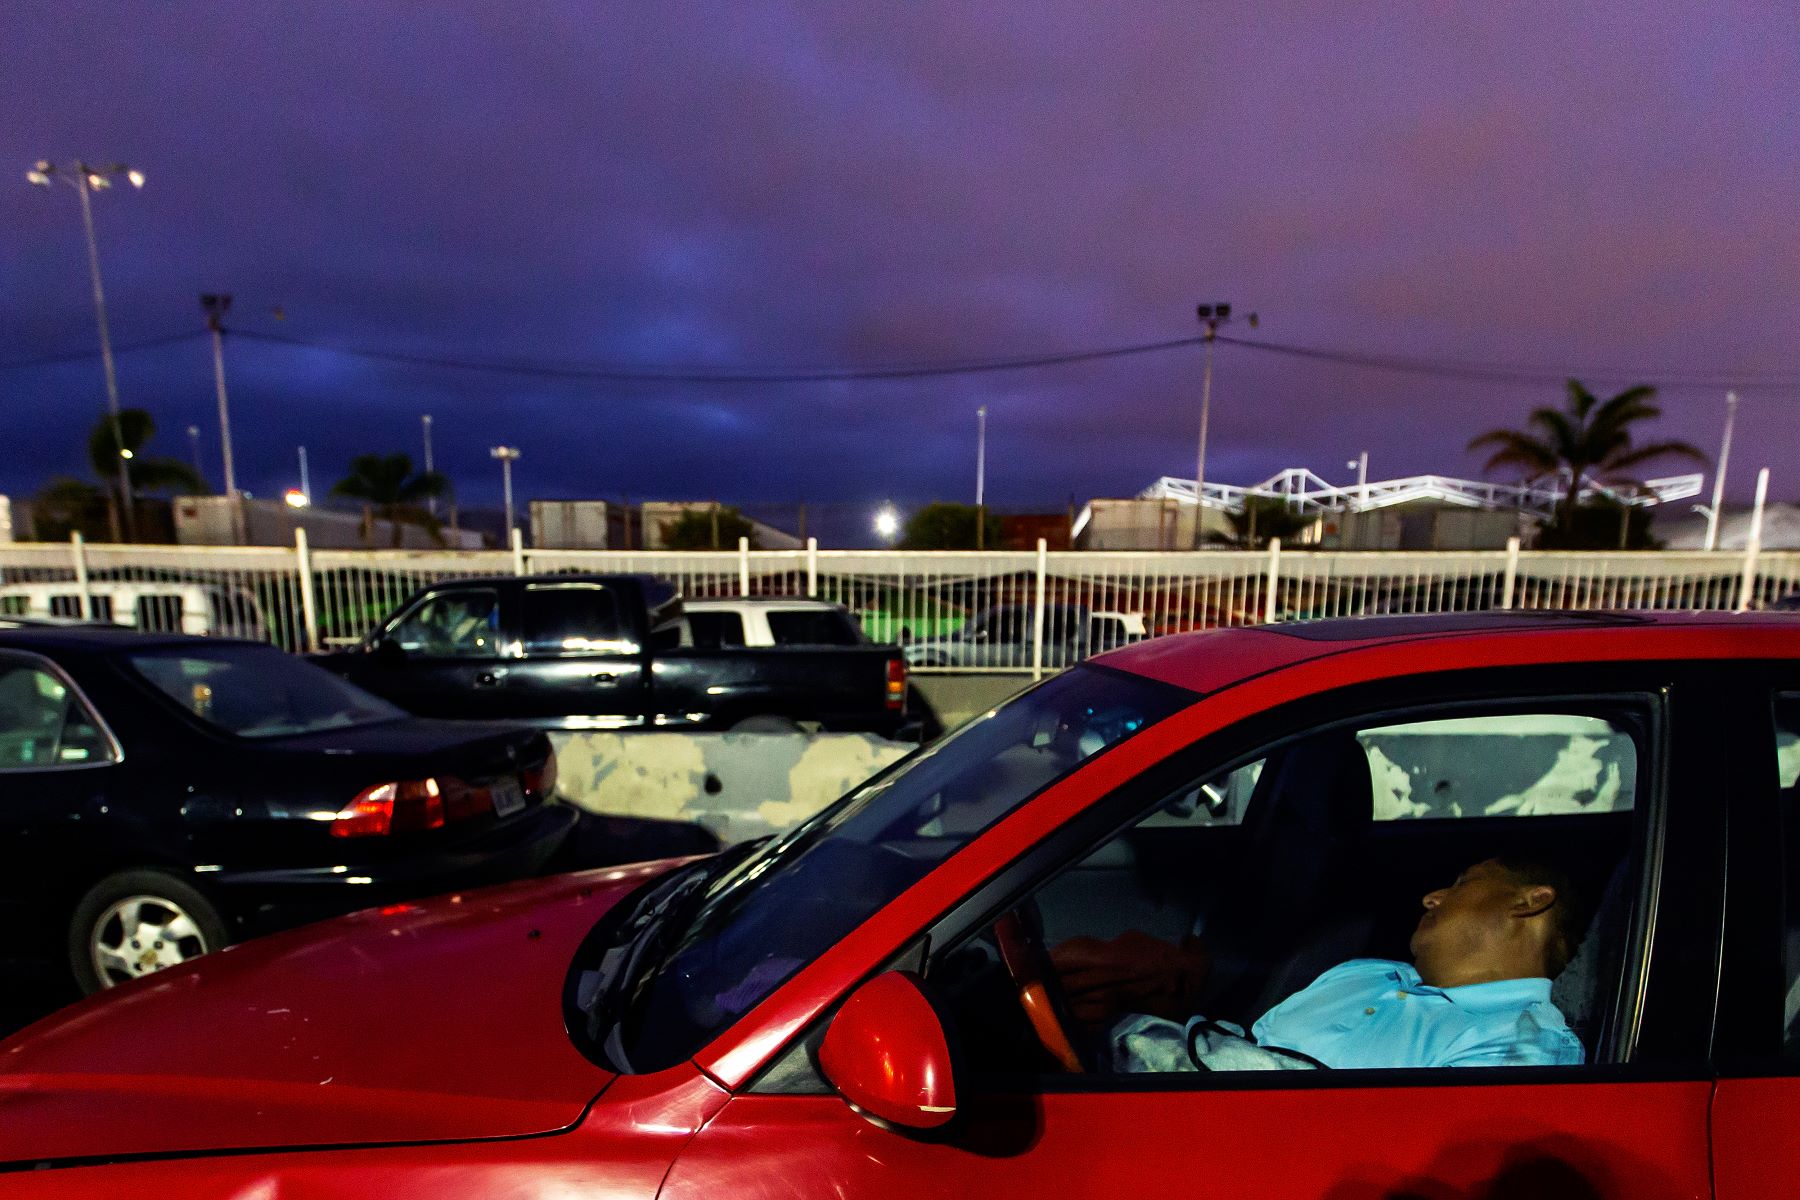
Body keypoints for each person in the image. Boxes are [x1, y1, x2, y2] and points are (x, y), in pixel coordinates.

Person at [1058, 855, 1591, 1072]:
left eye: (1462, 884)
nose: (1431, 897)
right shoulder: (1360, 972)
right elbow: (1251, 1047)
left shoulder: (1523, 1046)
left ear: (1530, 901)